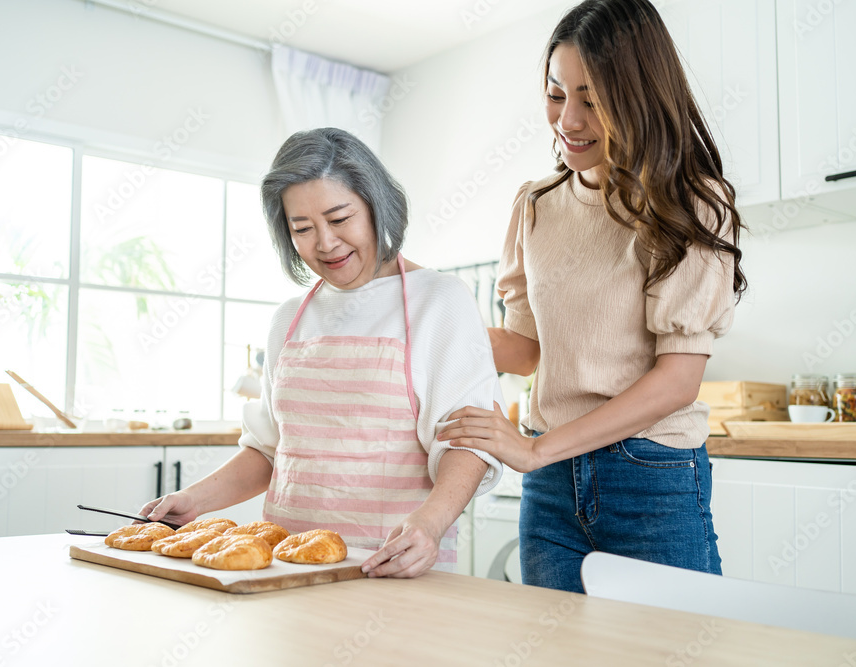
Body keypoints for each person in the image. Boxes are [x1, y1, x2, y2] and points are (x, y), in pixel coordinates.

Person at [438, 0, 747, 593]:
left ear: (639, 96)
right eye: (557, 95)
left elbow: (678, 380)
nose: (569, 120)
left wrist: (534, 450)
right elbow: (528, 349)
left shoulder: (691, 202)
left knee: (673, 652)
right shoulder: (535, 205)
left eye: (594, 100)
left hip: (649, 474)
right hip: (551, 484)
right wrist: (421, 305)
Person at [139, 127, 503, 578]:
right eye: (303, 228)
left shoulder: (439, 301)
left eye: (340, 218)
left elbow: (466, 440)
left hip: (394, 562)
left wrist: (430, 524)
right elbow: (271, 450)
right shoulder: (289, 320)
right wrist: (193, 500)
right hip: (284, 566)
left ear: (375, 205)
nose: (325, 243)